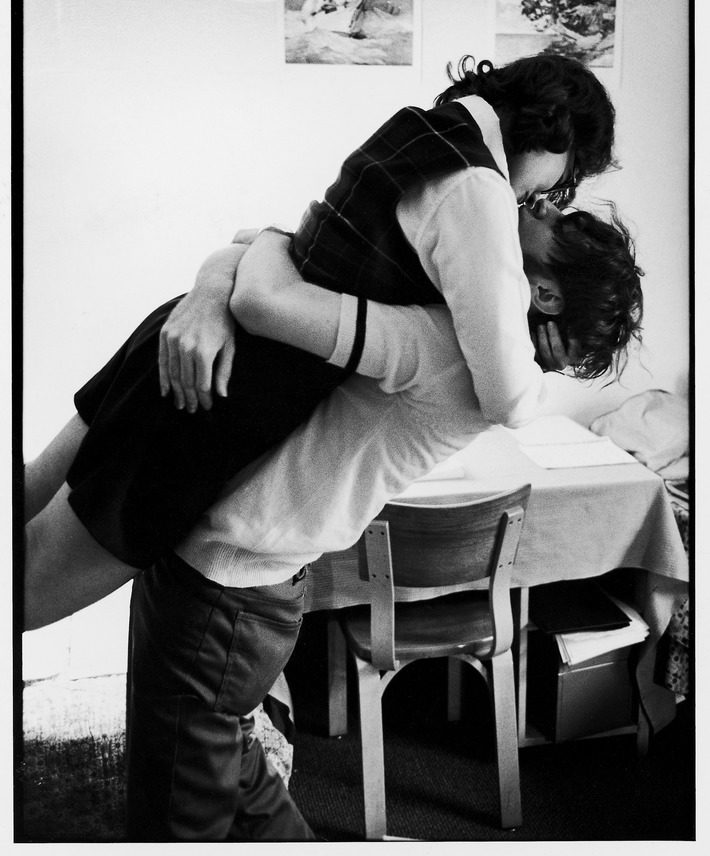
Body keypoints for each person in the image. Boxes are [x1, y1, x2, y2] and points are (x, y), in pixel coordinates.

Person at [24, 52, 617, 628]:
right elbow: (508, 399)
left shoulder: (423, 132)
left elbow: (287, 240)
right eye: (558, 187)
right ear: (560, 139)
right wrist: (545, 365)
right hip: (216, 390)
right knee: (27, 590)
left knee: (25, 497)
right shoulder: (479, 193)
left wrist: (209, 285)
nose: (540, 199)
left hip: (180, 337)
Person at [123, 205, 642, 841]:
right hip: (255, 583)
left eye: (549, 217)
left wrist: (223, 279)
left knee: (179, 815)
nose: (526, 205)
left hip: (223, 590)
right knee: (229, 775)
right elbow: (258, 249)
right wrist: (216, 282)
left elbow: (262, 284)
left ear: (546, 290)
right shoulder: (481, 362)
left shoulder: (441, 344)